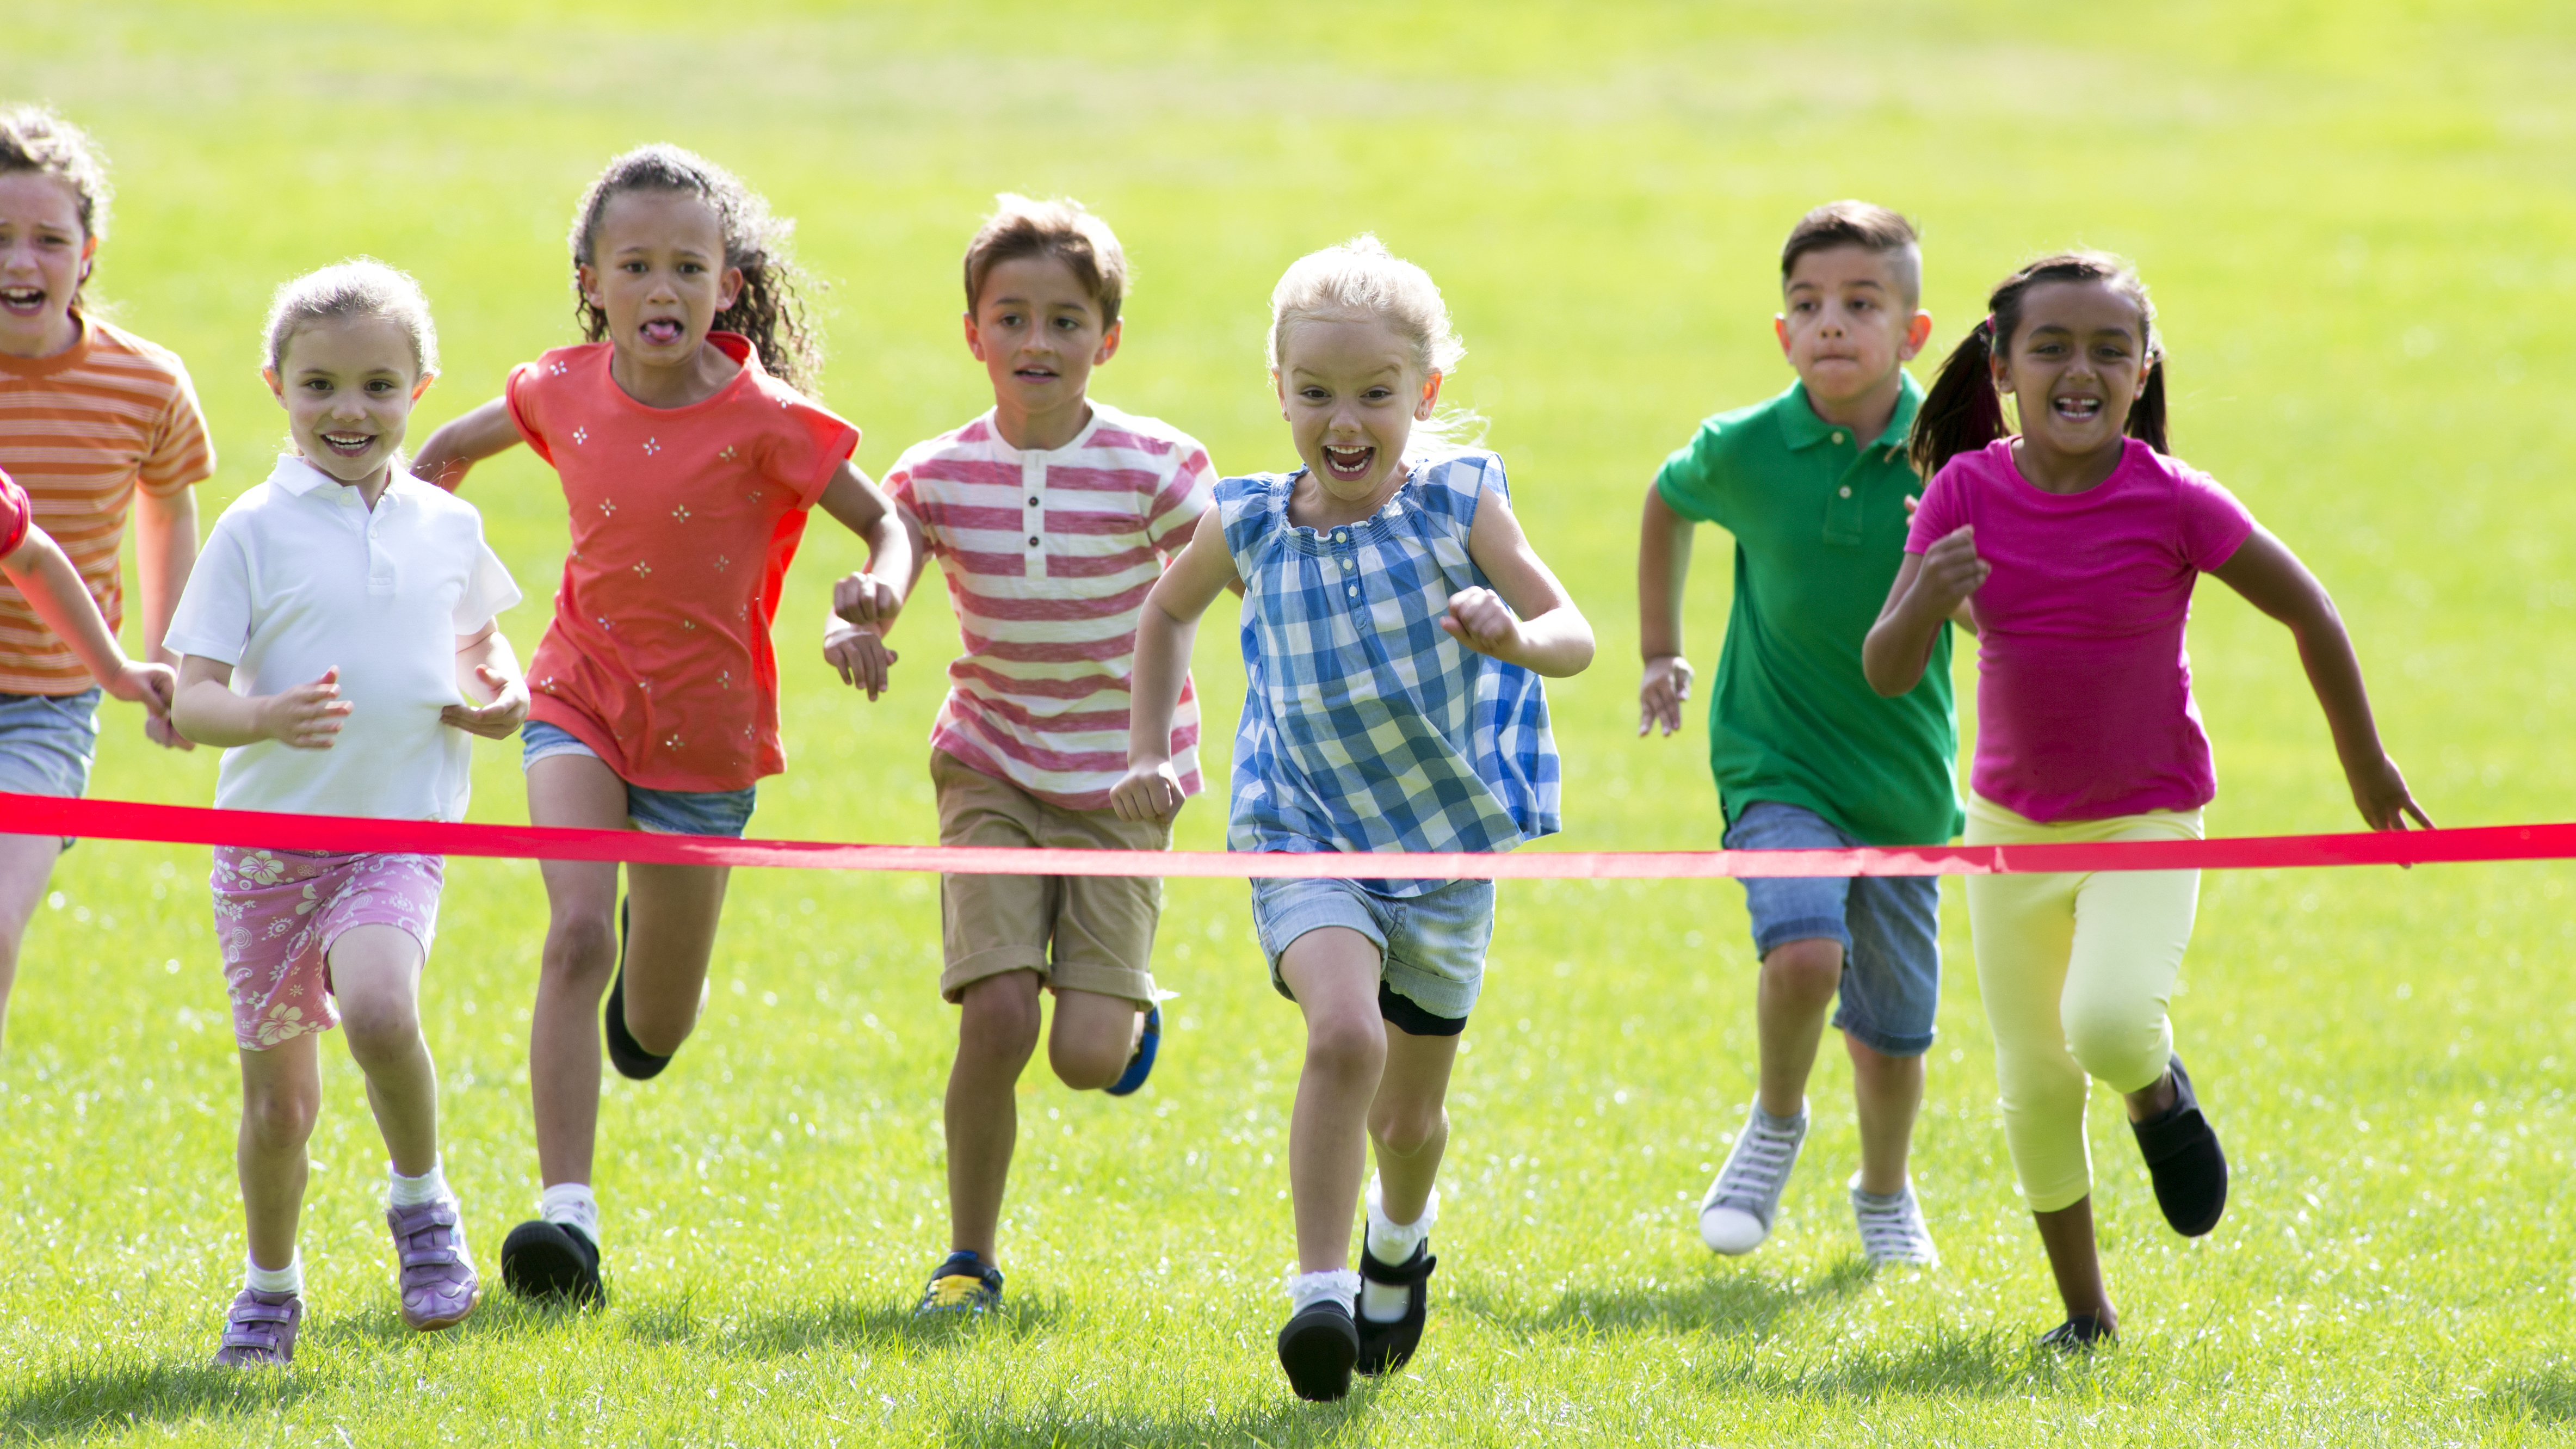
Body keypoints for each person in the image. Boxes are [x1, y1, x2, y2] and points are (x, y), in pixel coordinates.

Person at [1863, 251, 2428, 1351]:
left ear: (2142, 369)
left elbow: (2308, 610)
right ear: (2002, 365)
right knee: (2033, 1086)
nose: (2081, 371)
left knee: (2110, 1023)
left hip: (2146, 817)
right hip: (2007, 829)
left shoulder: (2170, 498)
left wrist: (2363, 765)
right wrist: (1922, 600)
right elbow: (1886, 670)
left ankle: (2155, 1090)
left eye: (2109, 351)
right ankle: (2086, 1318)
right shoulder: (1962, 492)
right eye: (2052, 348)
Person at [407, 144, 912, 1307]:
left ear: (729, 285)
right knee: (575, 936)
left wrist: (877, 591)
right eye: (635, 265)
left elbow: (883, 520)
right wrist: (431, 620)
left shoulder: (770, 419)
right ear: (592, 281)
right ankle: (565, 1220)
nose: (662, 289)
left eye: (689, 265)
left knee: (655, 1020)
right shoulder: (559, 388)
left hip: (708, 742)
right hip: (576, 697)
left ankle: (643, 1025)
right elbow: (441, 460)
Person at [1113, 236, 1593, 1402]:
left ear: (1421, 395)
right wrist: (1150, 752)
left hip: (1443, 846)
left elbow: (1572, 633)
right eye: (1316, 392)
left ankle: (1397, 1242)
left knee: (1412, 1117)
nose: (1345, 419)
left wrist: (1511, 637)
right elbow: (1163, 615)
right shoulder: (1249, 523)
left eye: (1375, 394)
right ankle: (1318, 1293)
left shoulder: (1460, 503)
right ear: (1278, 389)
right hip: (1302, 828)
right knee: (1343, 1037)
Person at [168, 261, 527, 1366]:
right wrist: (264, 716)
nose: (349, 411)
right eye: (320, 385)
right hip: (269, 853)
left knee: (379, 1008)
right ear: (276, 385)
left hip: (397, 831)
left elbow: (482, 643)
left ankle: (422, 1209)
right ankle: (270, 1287)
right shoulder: (250, 530)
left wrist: (502, 695)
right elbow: (192, 697)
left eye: (378, 385)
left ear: (421, 388)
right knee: (281, 1110)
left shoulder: (446, 526)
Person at [867, 196, 1217, 1319]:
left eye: (1064, 322)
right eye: (1010, 318)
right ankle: (967, 1260)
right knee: (999, 1016)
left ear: (1106, 339)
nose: (1036, 344)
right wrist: (863, 616)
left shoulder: (1157, 466)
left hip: (1125, 779)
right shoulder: (934, 472)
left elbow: (1225, 569)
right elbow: (893, 555)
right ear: (972, 332)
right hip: (992, 768)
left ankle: (1128, 1016)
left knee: (1081, 1056)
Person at [1638, 201, 1955, 1268]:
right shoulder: (1742, 448)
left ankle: (1882, 1189)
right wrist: (1658, 650)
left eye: (1861, 305)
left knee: (1893, 1035)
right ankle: (1775, 1125)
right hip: (1774, 764)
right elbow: (1665, 500)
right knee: (1805, 949)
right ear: (1781, 333)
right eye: (1808, 305)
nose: (1831, 324)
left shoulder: (1952, 457)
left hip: (1905, 784)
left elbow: (1992, 595)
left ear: (1912, 334)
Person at [0, 106, 209, 1043]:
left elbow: (168, 506)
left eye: (48, 240)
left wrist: (163, 663)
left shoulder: (146, 385)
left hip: (44, 705)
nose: (21, 264)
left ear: (88, 252)